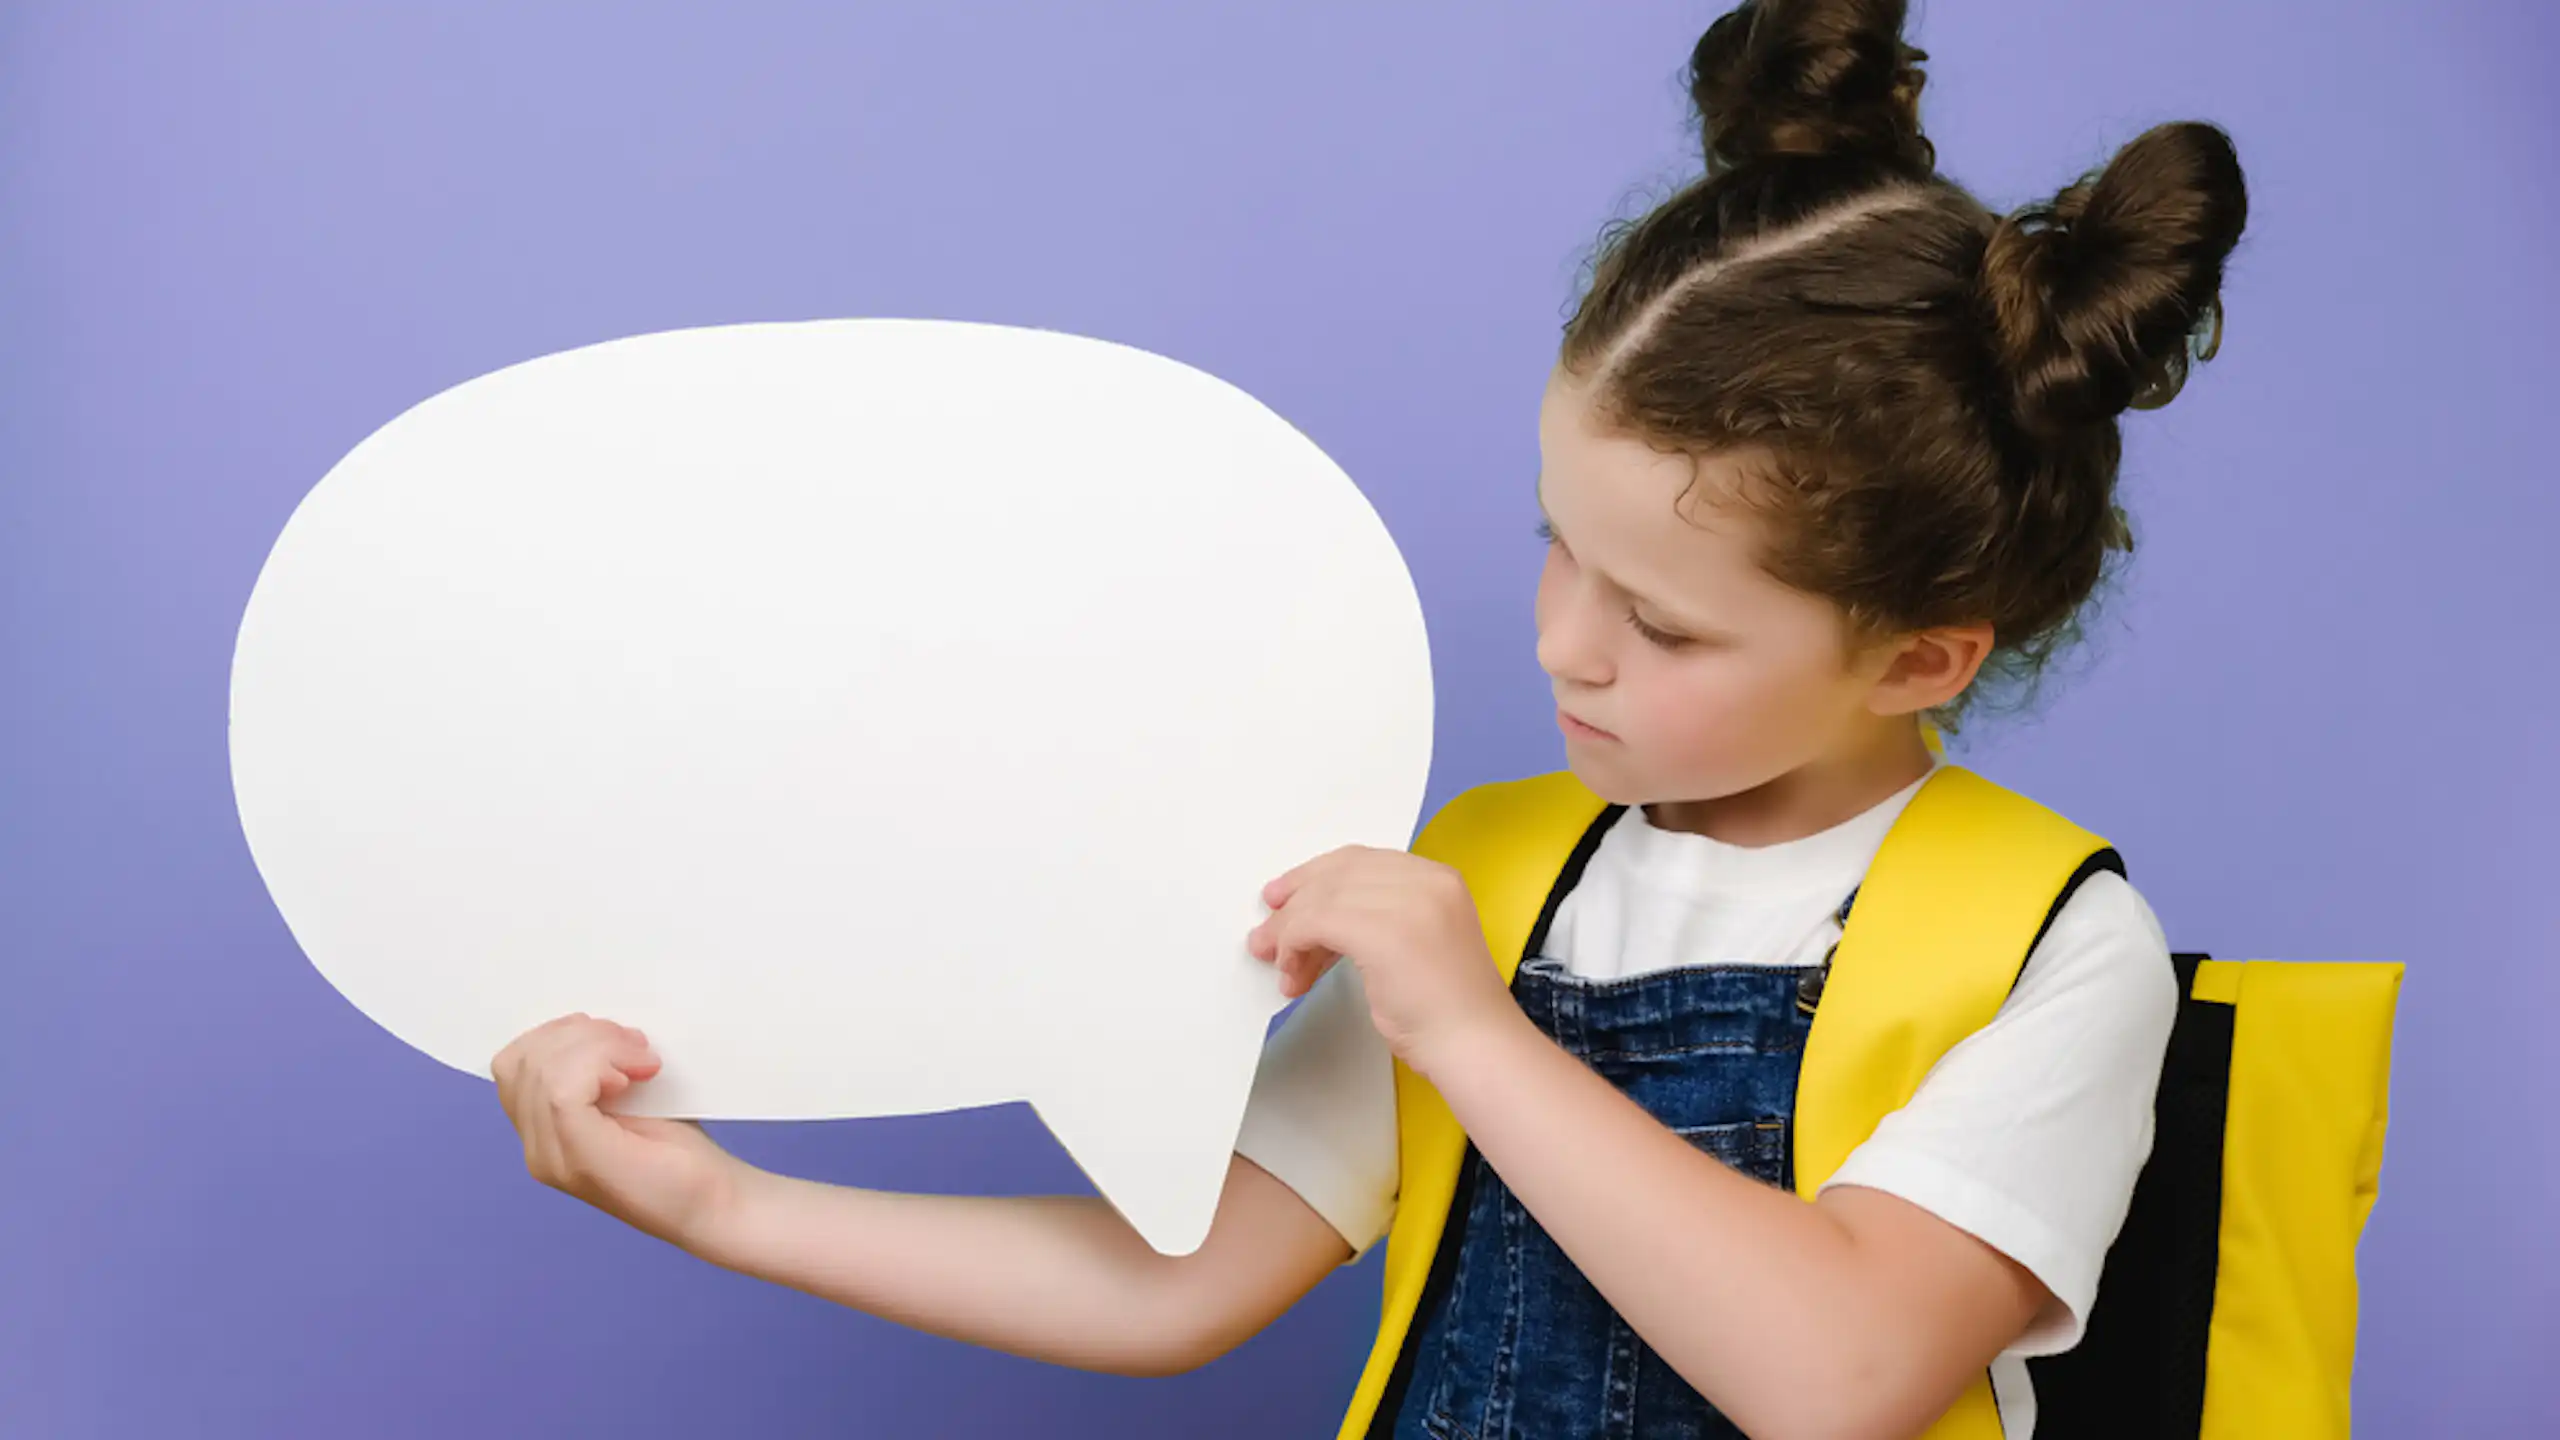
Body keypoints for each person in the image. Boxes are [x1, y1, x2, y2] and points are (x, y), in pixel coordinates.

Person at [493, 1, 2248, 1434]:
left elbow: (1837, 1376)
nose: (1566, 645)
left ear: (1921, 660)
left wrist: (1475, 1038)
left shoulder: (2048, 942)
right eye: (1559, 545)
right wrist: (724, 1205)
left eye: (1663, 622)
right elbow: (1183, 1285)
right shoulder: (1476, 873)